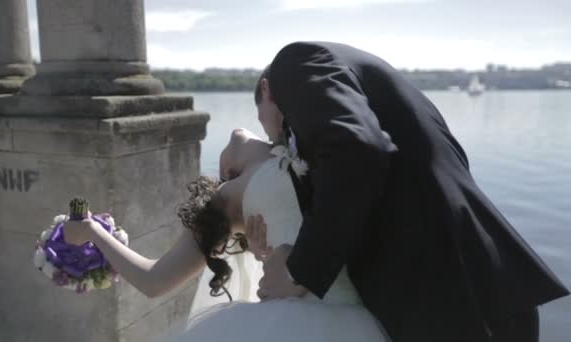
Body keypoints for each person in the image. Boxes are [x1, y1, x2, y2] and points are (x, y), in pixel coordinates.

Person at [252, 41, 570, 342]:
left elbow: (357, 150)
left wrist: (298, 273)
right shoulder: (377, 90)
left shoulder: (295, 61)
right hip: (489, 287)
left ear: (267, 89)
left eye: (264, 122)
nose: (273, 138)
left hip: (448, 301)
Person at [62, 128, 390, 342]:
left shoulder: (291, 143)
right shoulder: (228, 201)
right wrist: (94, 232)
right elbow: (154, 280)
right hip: (335, 314)